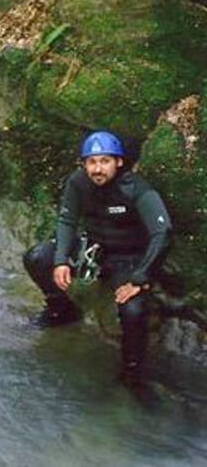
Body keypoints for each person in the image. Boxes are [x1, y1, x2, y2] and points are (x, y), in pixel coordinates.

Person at [23, 130, 171, 401]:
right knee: (37, 257)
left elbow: (162, 233)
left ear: (119, 162)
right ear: (84, 164)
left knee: (133, 310)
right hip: (93, 249)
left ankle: (133, 374)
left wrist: (140, 277)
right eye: (91, 162)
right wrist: (61, 261)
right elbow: (67, 221)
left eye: (104, 161)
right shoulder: (78, 183)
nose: (97, 169)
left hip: (127, 258)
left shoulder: (136, 188)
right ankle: (62, 310)